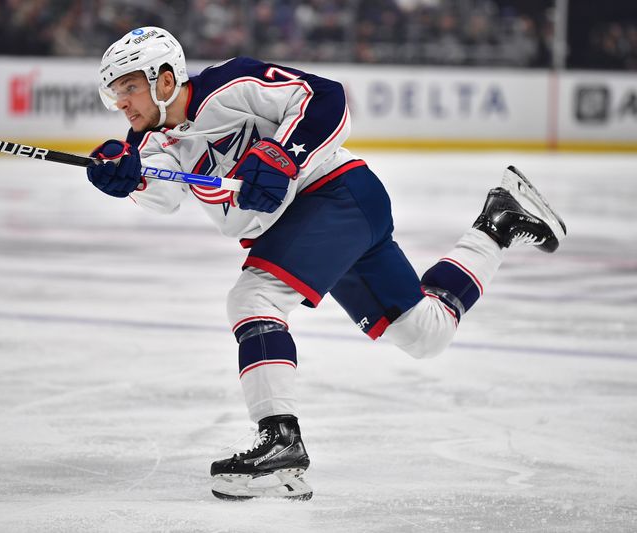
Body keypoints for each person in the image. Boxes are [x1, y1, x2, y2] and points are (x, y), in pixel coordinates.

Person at [88, 26, 567, 501]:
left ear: (164, 79)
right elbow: (161, 193)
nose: (122, 103)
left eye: (129, 88)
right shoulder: (150, 144)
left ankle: (280, 443)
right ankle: (498, 223)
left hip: (336, 194)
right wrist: (123, 177)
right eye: (115, 95)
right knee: (424, 333)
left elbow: (325, 99)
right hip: (322, 222)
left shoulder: (229, 84)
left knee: (254, 296)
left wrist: (283, 154)